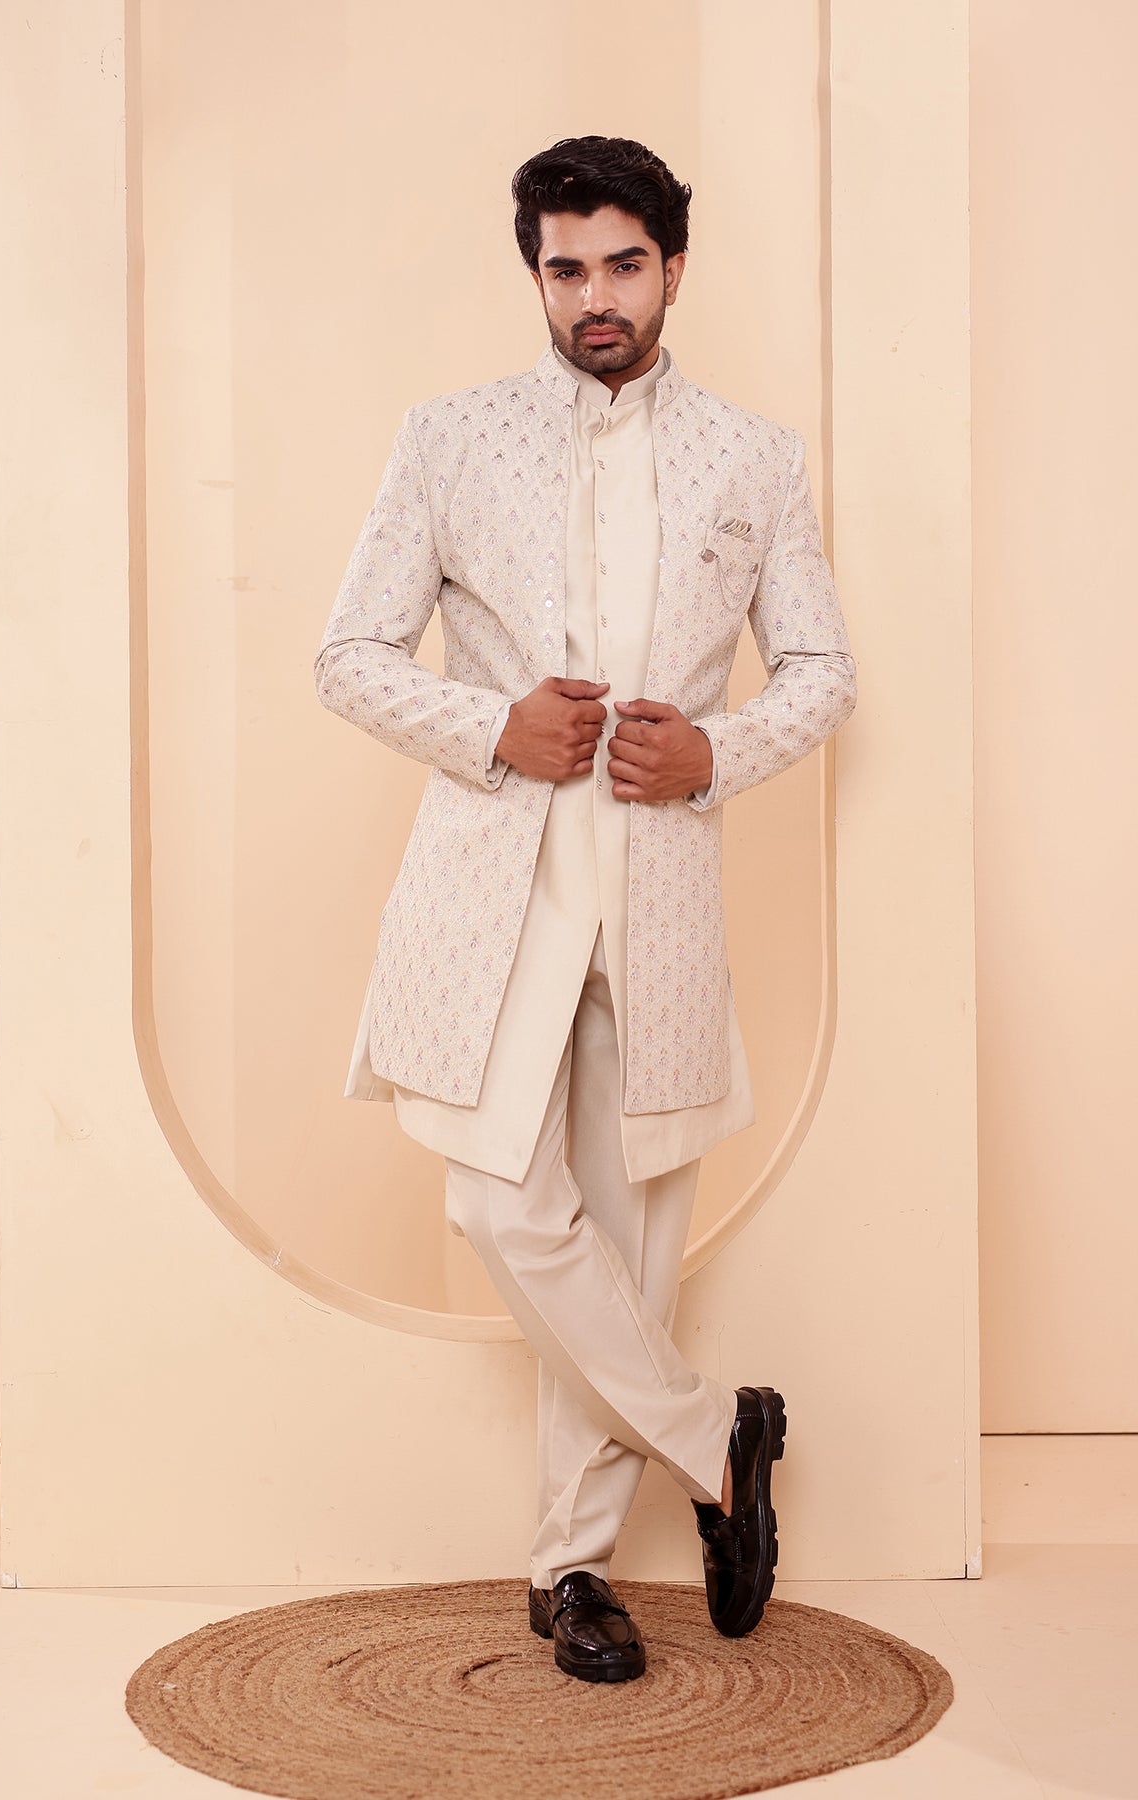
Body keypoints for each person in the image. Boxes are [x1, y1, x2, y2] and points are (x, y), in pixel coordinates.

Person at [313, 134, 857, 1683]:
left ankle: (571, 1571)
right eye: (567, 270)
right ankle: (718, 1443)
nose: (595, 296)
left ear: (672, 266)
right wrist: (491, 724)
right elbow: (347, 653)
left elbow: (823, 671)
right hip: (498, 884)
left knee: (626, 1240)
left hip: (660, 886)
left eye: (624, 264)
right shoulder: (449, 438)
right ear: (536, 275)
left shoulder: (755, 456)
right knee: (500, 1199)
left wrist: (713, 753)